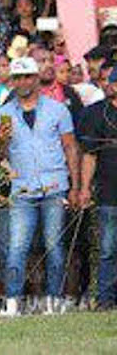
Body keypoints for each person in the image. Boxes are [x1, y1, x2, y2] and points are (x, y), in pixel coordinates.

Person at [0, 57, 79, 317]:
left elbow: (70, 147)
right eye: (18, 78)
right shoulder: (2, 114)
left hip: (54, 185)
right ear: (12, 82)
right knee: (17, 246)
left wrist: (74, 186)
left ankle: (54, 301)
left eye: (28, 76)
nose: (23, 82)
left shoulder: (58, 109)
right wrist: (2, 142)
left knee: (54, 246)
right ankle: (13, 303)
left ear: (37, 78)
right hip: (22, 188)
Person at [78, 67, 117, 309]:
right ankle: (105, 299)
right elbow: (89, 156)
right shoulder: (96, 114)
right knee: (107, 249)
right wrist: (84, 188)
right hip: (108, 191)